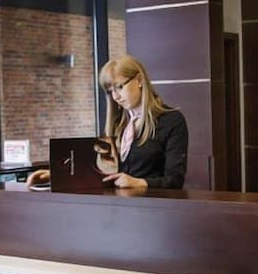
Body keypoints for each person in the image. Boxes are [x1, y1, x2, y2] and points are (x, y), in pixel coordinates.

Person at [28, 55, 188, 189]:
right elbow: (101, 172)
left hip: (152, 208)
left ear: (139, 80)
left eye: (120, 87)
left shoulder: (171, 120)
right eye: (110, 91)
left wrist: (139, 182)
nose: (116, 97)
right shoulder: (117, 123)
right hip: (115, 208)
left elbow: (174, 180)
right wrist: (57, 175)